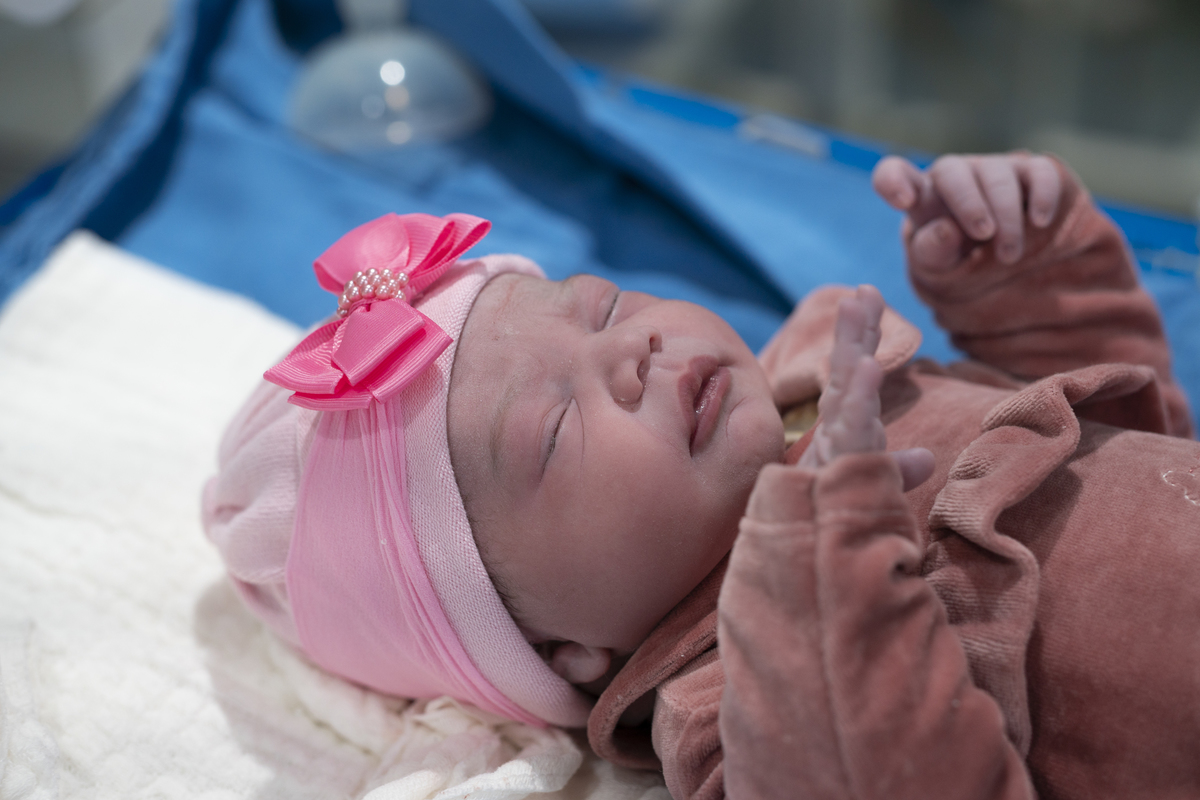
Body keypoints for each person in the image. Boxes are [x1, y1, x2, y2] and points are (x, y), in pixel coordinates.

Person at [203, 152, 1200, 800]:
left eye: (601, 308)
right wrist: (822, 585)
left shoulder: (832, 375)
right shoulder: (733, 709)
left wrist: (1028, 280)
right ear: (565, 649)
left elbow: (1128, 441)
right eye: (555, 430)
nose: (628, 350)